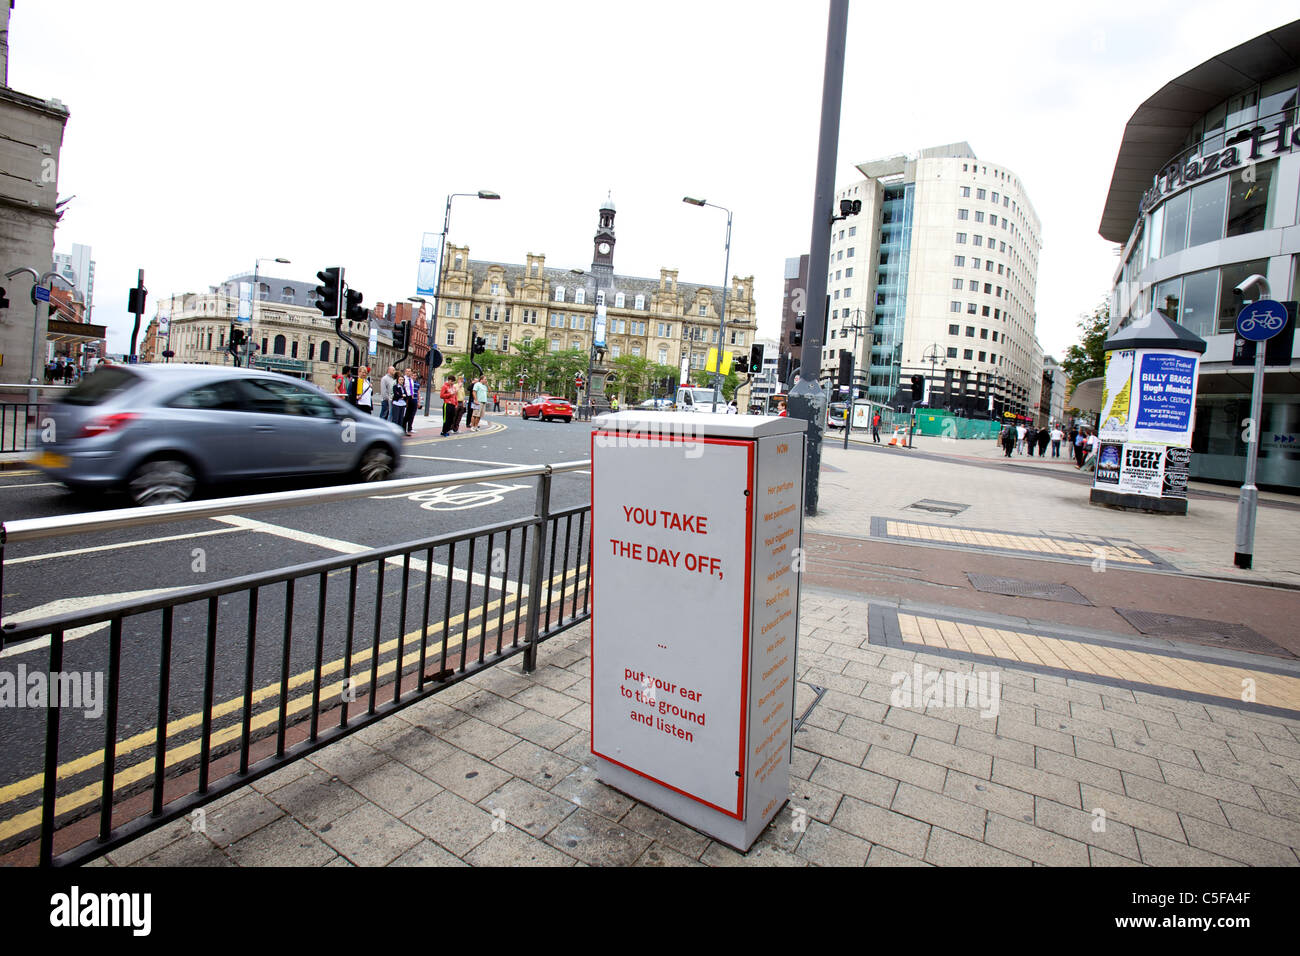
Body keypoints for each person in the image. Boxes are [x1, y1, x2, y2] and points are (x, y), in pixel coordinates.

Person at [403, 371, 419, 435]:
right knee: (407, 414)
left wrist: (418, 401)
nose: (414, 377)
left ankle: (410, 427)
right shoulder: (407, 381)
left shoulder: (416, 383)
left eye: (415, 376)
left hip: (414, 399)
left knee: (412, 414)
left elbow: (418, 392)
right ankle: (404, 428)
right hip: (409, 399)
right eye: (413, 375)